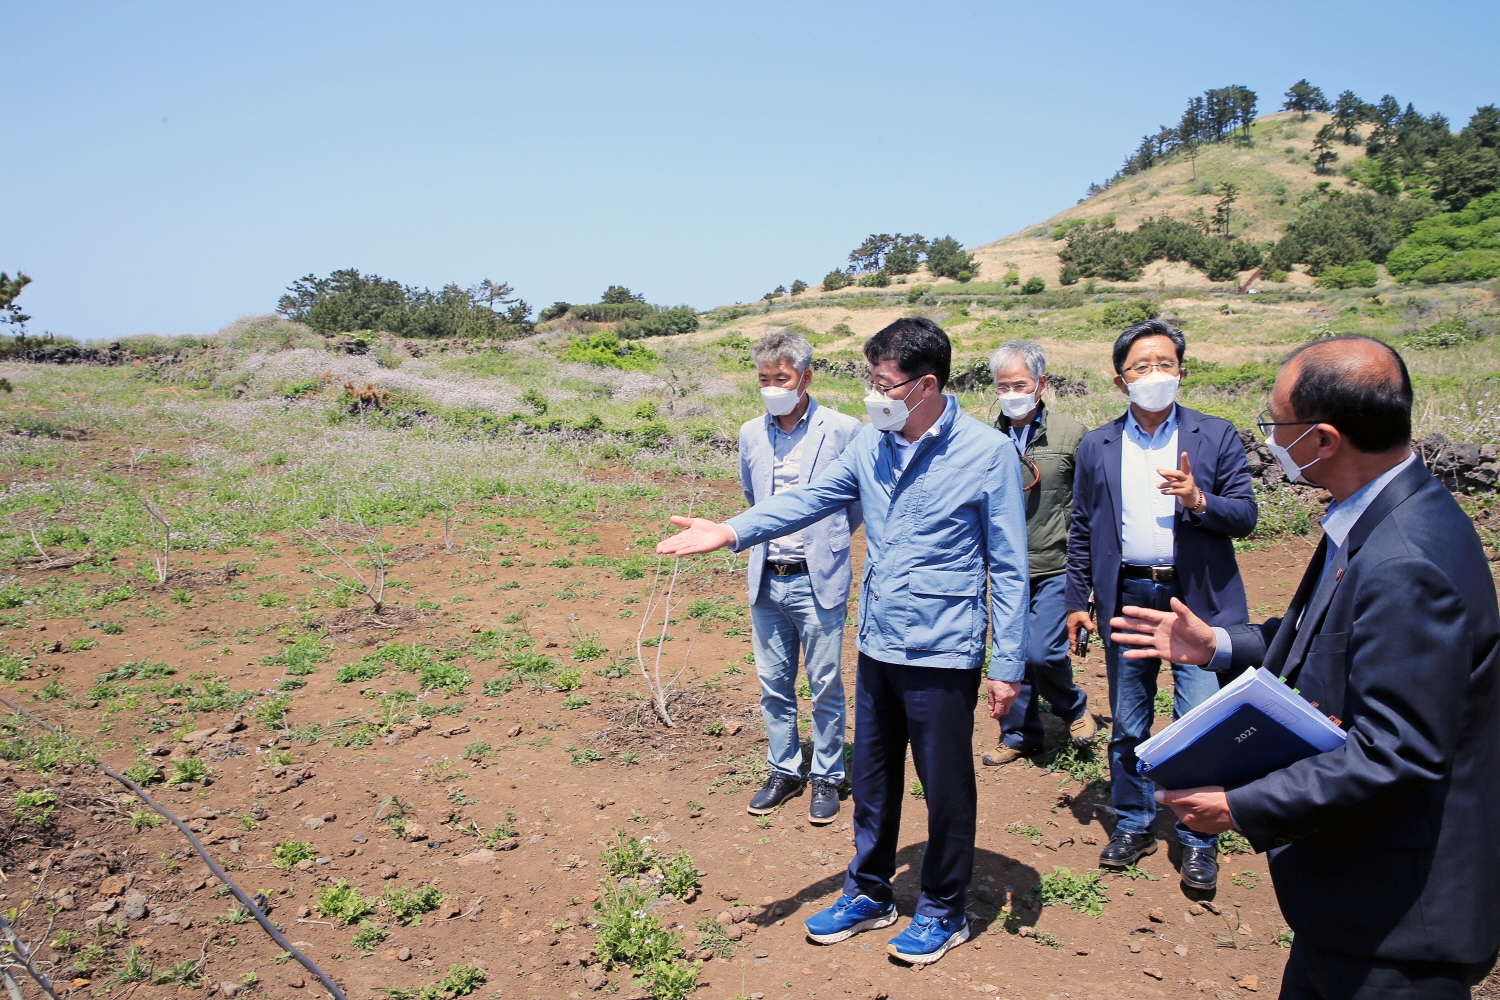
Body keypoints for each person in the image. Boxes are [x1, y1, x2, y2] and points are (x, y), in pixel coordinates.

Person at [1113, 335, 1500, 1000]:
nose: (1270, 441)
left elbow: (1395, 754)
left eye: (1277, 426)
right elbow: (1331, 639)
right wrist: (1218, 646)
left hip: (1399, 927)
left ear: (1322, 440)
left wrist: (1239, 805)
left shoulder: (1406, 561)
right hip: (1353, 911)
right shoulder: (1381, 517)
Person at [657, 317, 1028, 966]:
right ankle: (870, 891)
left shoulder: (985, 453)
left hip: (945, 648)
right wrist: (732, 531)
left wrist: (1008, 663)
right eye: (870, 379)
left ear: (926, 385)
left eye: (884, 383)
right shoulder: (872, 447)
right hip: (879, 641)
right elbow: (809, 500)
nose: (873, 395)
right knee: (874, 778)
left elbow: (1011, 565)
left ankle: (943, 908)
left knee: (944, 786)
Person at [1064, 318, 1256, 891]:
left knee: (1196, 719)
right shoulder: (1098, 445)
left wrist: (1199, 499)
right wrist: (1078, 599)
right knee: (1128, 718)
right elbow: (1082, 528)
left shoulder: (1215, 435)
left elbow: (1245, 516)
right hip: (1126, 594)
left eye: (1164, 364)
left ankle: (1198, 838)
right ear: (1121, 381)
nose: (1154, 375)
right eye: (1141, 367)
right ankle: (1133, 821)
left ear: (1182, 371)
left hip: (1194, 598)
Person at [739, 330, 864, 825]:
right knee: (774, 683)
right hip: (767, 576)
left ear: (806, 377)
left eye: (782, 378)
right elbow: (754, 500)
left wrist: (827, 541)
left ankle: (827, 775)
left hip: (819, 578)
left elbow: (853, 504)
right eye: (765, 379)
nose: (772, 387)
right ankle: (784, 769)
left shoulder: (844, 430)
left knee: (827, 683)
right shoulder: (751, 432)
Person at [981, 340, 1098, 767]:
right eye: (1002, 385)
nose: (1011, 393)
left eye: (1020, 384)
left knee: (1041, 653)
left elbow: (1088, 504)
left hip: (1056, 564)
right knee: (1012, 652)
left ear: (1041, 384)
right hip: (1006, 568)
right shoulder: (984, 437)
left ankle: (1073, 707)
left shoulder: (1072, 435)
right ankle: (1020, 735)